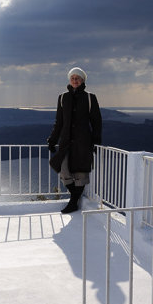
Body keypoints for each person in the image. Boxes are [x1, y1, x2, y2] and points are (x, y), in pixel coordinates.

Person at [47, 67, 102, 214]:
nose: (75, 80)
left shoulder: (90, 97)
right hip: (66, 141)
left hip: (83, 141)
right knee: (64, 171)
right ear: (69, 80)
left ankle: (73, 202)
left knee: (80, 173)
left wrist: (96, 141)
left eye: (77, 78)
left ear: (83, 80)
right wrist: (52, 140)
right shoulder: (63, 98)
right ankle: (75, 198)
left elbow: (96, 121)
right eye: (72, 78)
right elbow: (59, 122)